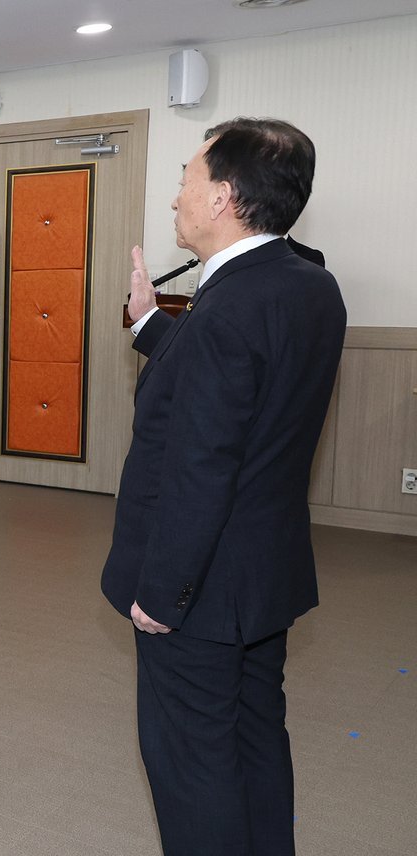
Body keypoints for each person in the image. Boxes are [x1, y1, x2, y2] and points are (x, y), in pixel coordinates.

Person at [102, 118, 346, 856]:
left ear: (223, 197)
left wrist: (162, 593)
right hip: (261, 574)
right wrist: (150, 325)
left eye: (186, 178)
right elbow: (242, 387)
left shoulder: (229, 307)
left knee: (193, 764)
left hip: (200, 591)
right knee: (253, 739)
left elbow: (201, 464)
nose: (176, 195)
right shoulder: (308, 285)